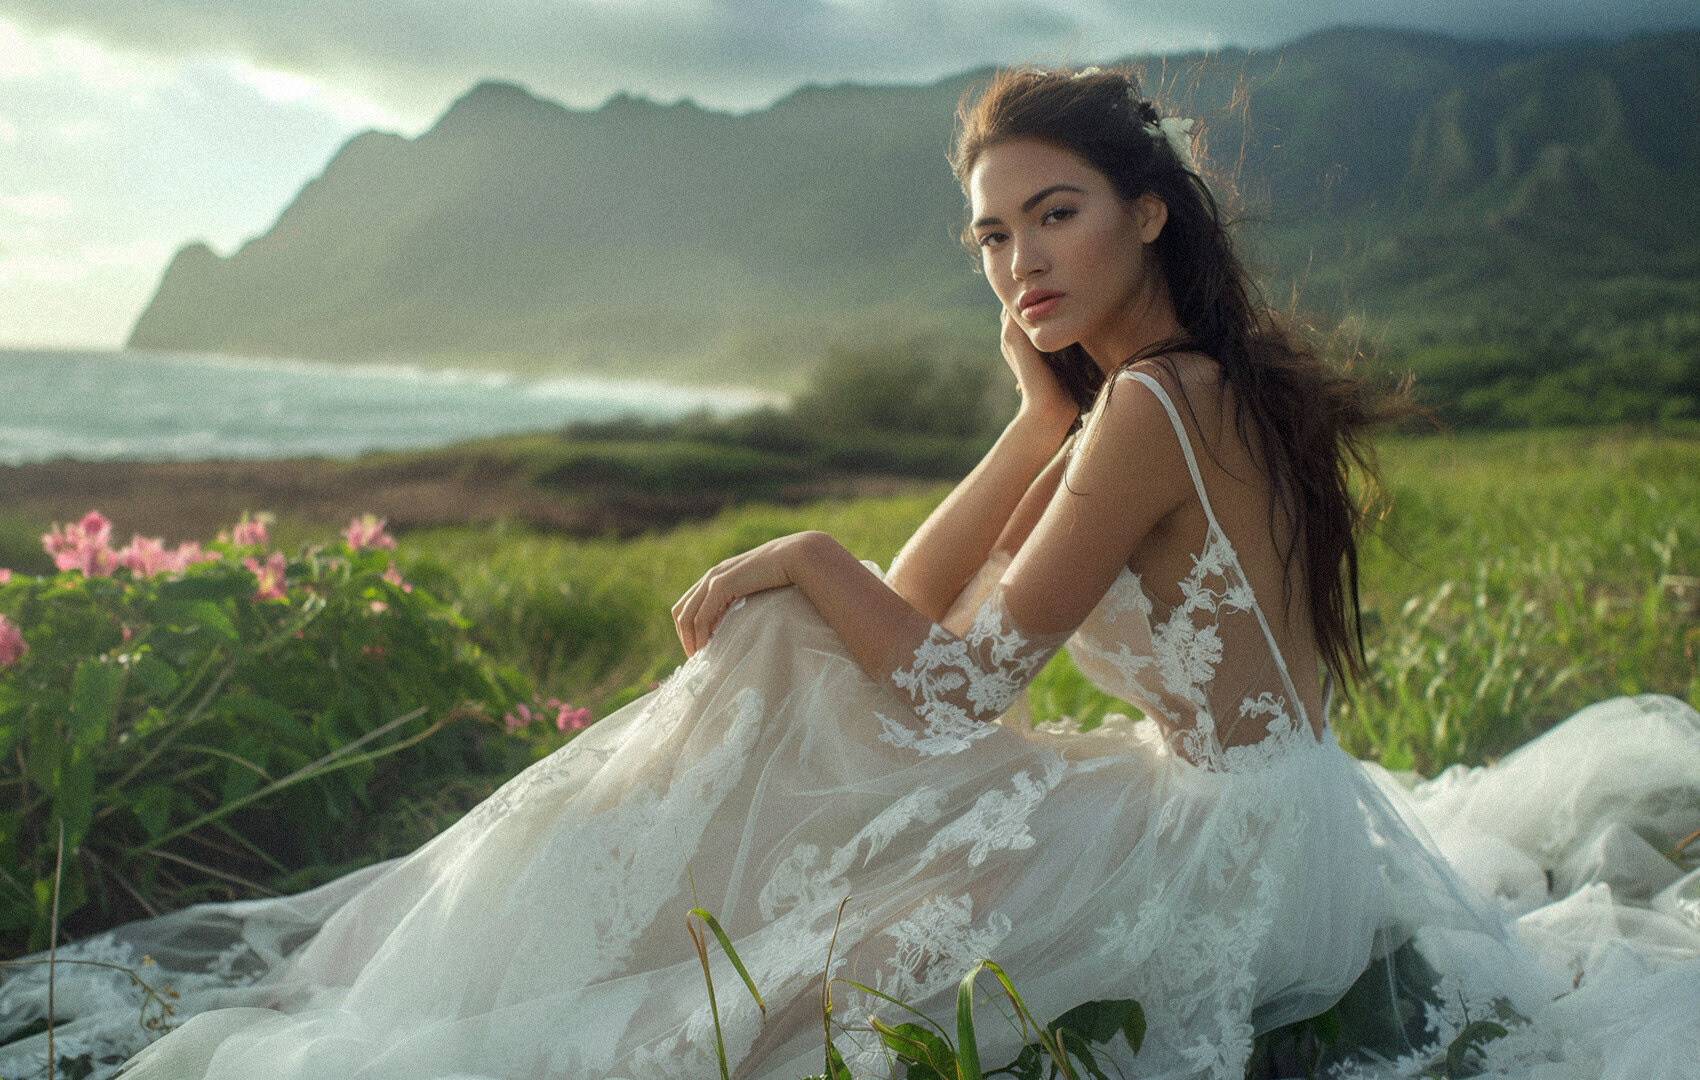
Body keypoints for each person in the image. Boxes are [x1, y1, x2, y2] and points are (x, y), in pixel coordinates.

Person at [3, 66, 1698, 1080]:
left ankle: (477, 954)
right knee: (801, 651)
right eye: (991, 235)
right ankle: (490, 944)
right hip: (1288, 817)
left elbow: (954, 682)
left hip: (1219, 861)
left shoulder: (1158, 413)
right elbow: (932, 602)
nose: (1018, 260)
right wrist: (1029, 427)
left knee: (789, 662)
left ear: (1148, 213)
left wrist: (802, 552)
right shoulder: (1173, 397)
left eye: (1053, 217)